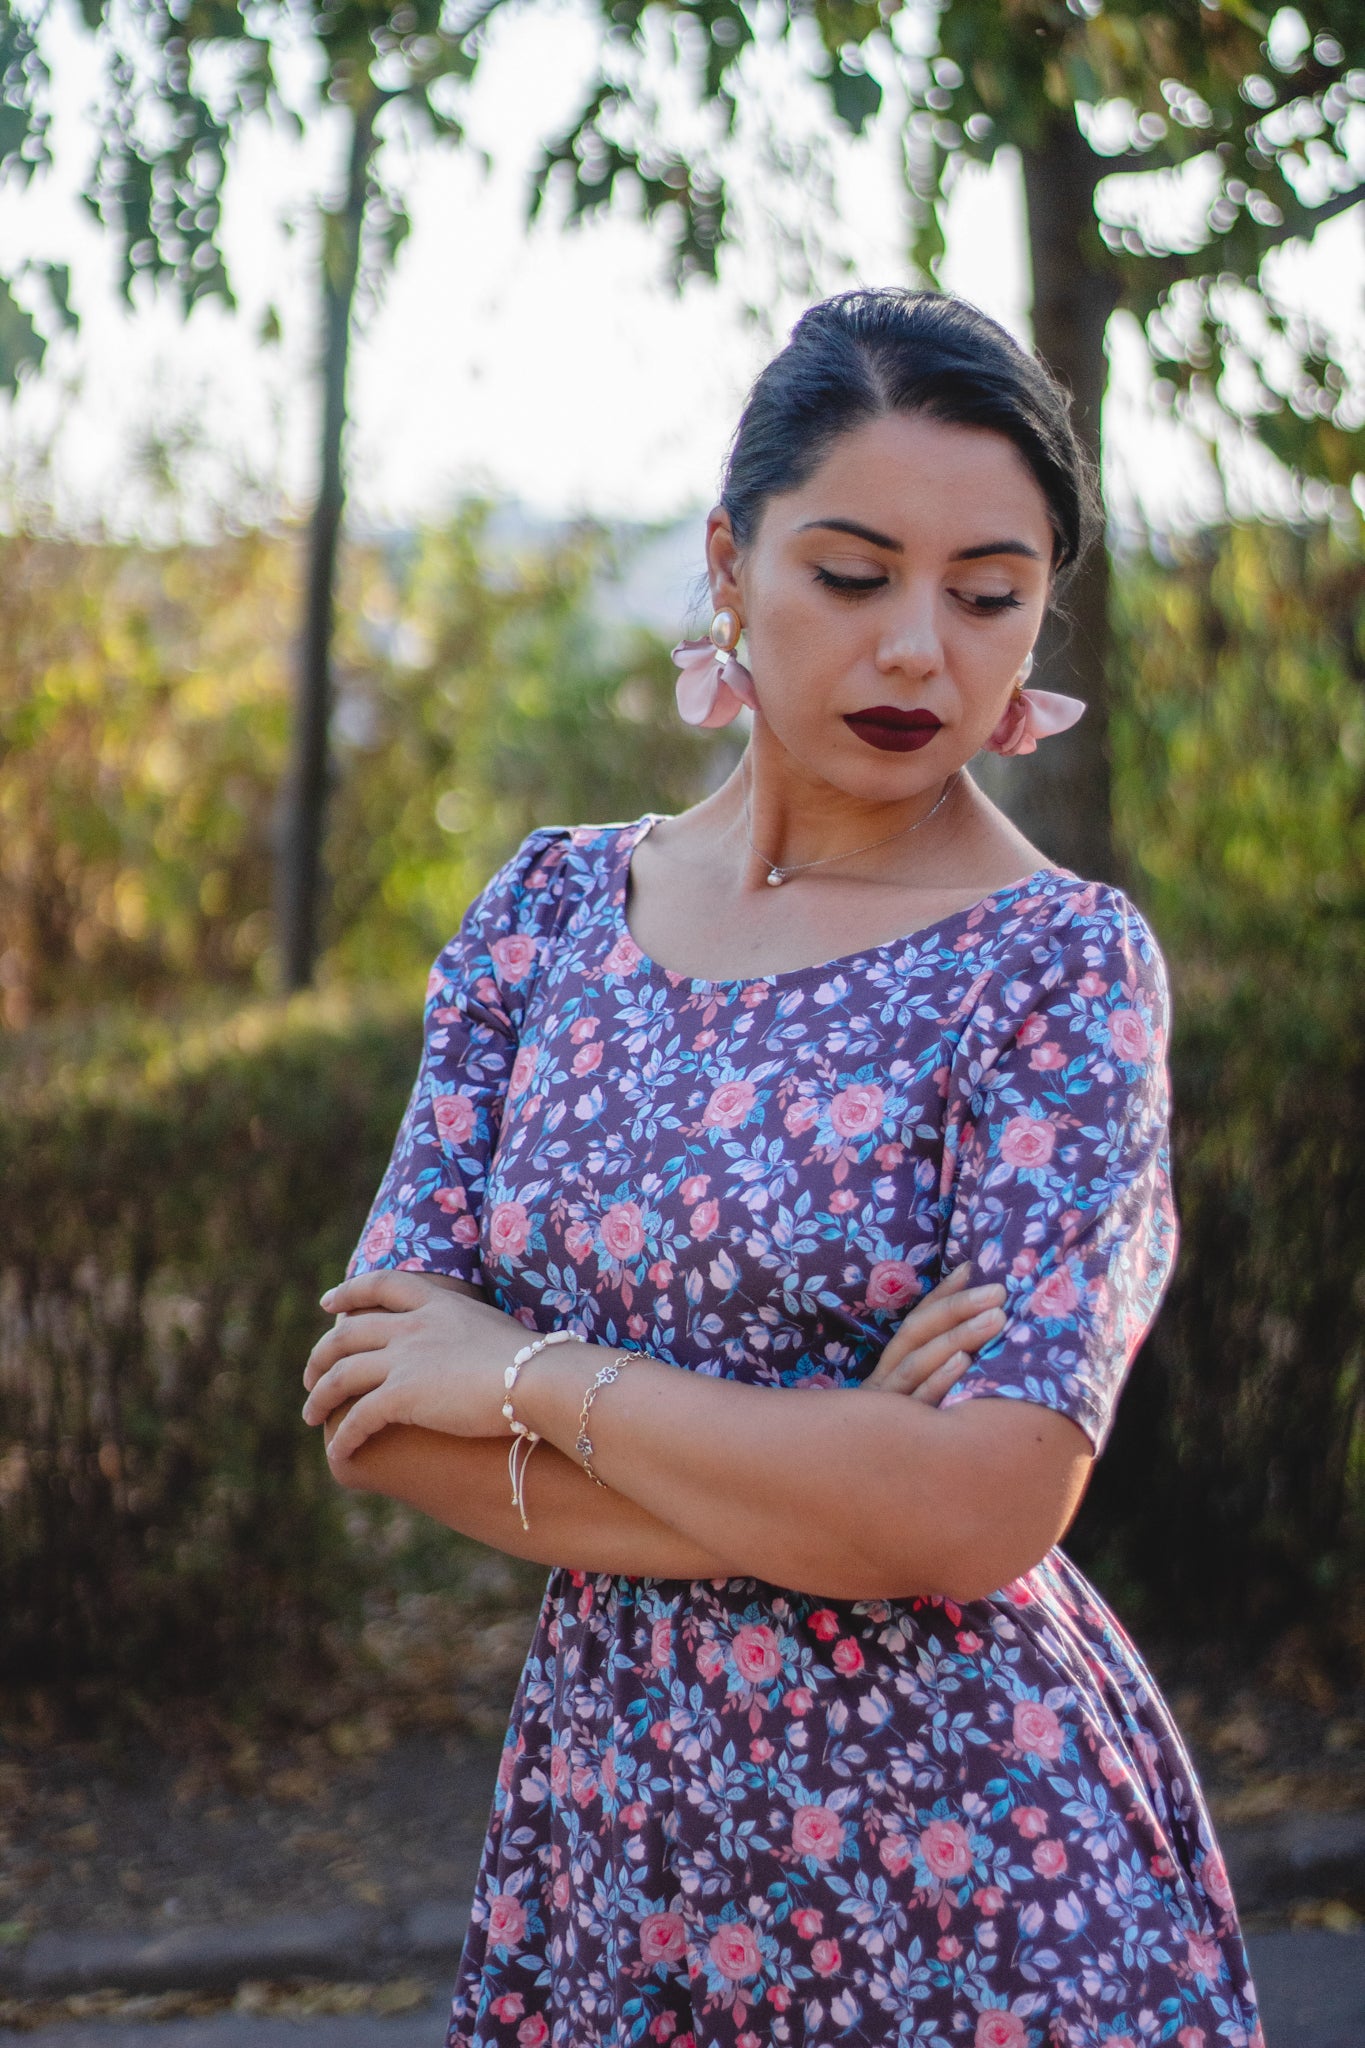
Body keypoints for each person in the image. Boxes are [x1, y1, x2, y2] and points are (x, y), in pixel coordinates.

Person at [302, 289, 1262, 2047]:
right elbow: (385, 1414)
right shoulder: (545, 916)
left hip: (977, 1870)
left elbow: (980, 1513)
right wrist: (845, 1481)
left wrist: (530, 1376)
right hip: (615, 1855)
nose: (918, 649)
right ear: (729, 568)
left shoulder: (1057, 973)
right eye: (850, 574)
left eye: (986, 595)